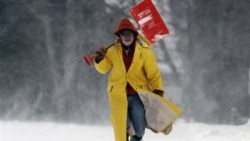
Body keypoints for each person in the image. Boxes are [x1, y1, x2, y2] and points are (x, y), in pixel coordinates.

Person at [94, 18, 165, 141]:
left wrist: (158, 90)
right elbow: (103, 69)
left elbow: (153, 74)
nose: (126, 37)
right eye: (123, 34)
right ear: (119, 36)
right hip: (118, 95)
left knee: (139, 129)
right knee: (123, 126)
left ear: (134, 34)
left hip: (137, 95)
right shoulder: (112, 51)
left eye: (129, 34)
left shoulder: (145, 52)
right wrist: (99, 59)